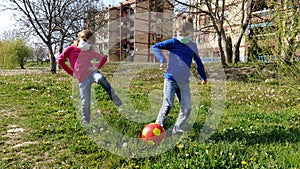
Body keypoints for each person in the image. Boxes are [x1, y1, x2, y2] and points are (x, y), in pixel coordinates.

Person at [152, 14, 207, 135]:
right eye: (180, 35)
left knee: (187, 108)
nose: (183, 37)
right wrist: (162, 60)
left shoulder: (193, 46)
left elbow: (198, 62)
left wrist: (203, 77)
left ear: (192, 32)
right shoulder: (173, 42)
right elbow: (155, 47)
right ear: (176, 32)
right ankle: (158, 126)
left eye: (186, 35)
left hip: (184, 82)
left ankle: (177, 130)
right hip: (171, 79)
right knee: (168, 105)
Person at [58, 30, 122, 124]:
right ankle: (86, 119)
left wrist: (95, 67)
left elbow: (103, 59)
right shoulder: (71, 49)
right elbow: (60, 60)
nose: (86, 43)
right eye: (84, 40)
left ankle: (113, 96)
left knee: (100, 78)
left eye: (89, 42)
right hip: (82, 78)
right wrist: (71, 72)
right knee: (85, 101)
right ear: (80, 38)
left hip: (92, 73)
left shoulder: (89, 51)